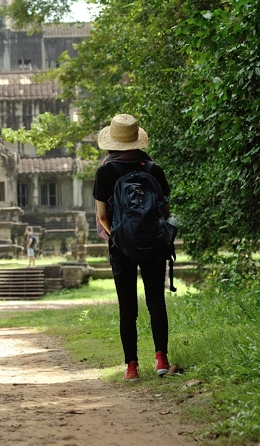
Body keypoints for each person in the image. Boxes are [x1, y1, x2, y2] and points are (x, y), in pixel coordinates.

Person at [92, 114, 173, 381]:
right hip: (154, 242)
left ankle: (132, 367)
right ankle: (161, 359)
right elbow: (164, 210)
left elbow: (102, 215)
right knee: (156, 302)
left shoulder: (106, 171)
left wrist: (119, 236)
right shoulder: (154, 170)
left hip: (121, 246)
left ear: (112, 142)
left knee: (127, 308)